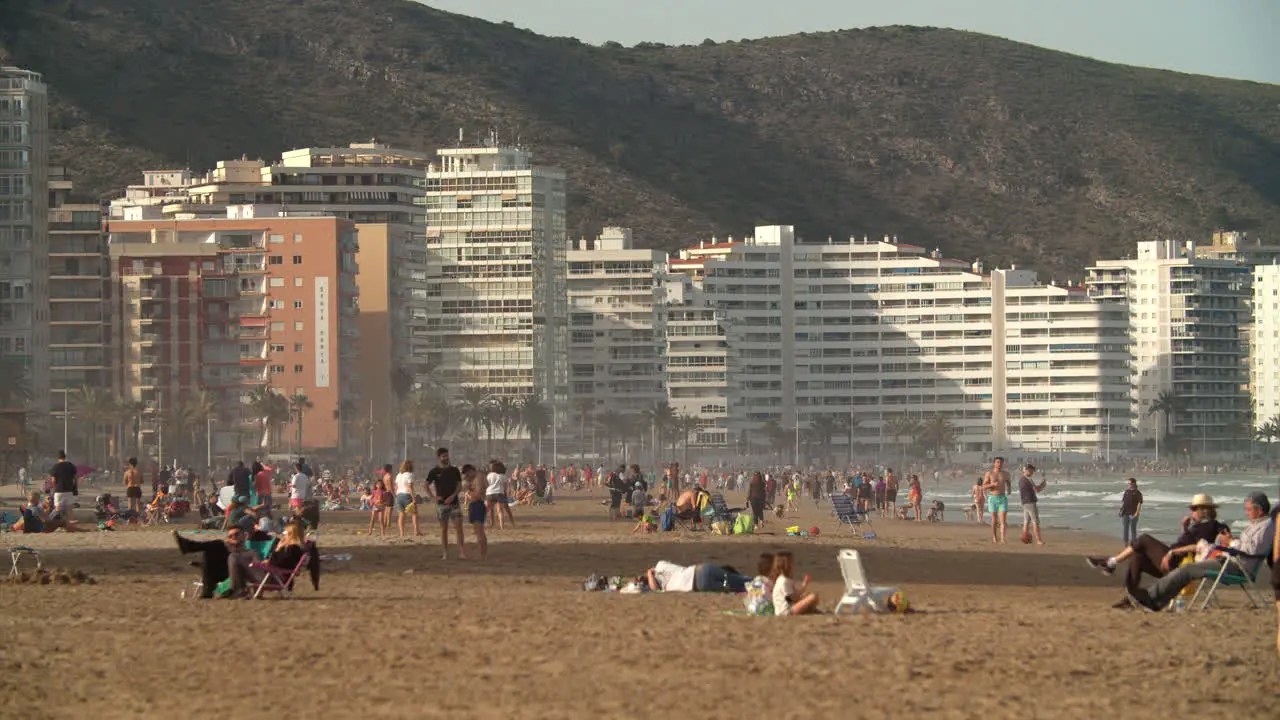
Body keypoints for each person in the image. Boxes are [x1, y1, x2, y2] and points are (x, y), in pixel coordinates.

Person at [1126, 493, 1274, 611]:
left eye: (1249, 509)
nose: (1246, 513)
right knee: (1185, 571)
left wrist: (1230, 542)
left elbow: (1252, 549)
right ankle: (1153, 602)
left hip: (1236, 566)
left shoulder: (1265, 527)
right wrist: (1231, 542)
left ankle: (1150, 597)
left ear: (1259, 510)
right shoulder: (1257, 525)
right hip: (1230, 560)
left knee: (1187, 570)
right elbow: (1247, 545)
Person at [1085, 494, 1232, 608]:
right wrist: (1184, 528)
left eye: (1194, 509)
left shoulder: (1213, 526)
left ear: (1203, 510)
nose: (1191, 512)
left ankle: (1111, 562)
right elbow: (1185, 541)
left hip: (1180, 564)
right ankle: (1131, 598)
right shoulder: (1197, 526)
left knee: (1144, 539)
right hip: (1172, 561)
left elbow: (1201, 547)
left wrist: (1171, 553)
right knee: (1138, 556)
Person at [173, 527, 256, 599]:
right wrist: (228, 545)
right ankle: (208, 588)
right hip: (220, 571)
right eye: (230, 536)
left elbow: (247, 559)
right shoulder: (227, 546)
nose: (233, 537)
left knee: (217, 545)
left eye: (237, 534)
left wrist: (234, 546)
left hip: (235, 572)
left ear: (244, 535)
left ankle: (187, 546)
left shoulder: (249, 547)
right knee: (210, 552)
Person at [426, 448, 466, 560]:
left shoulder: (454, 470)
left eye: (447, 455)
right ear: (439, 458)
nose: (446, 458)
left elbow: (459, 486)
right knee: (444, 529)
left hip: (454, 503)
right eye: (443, 456)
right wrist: (433, 497)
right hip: (441, 505)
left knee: (459, 527)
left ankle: (462, 552)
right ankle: (445, 553)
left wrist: (453, 496)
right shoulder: (434, 471)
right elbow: (426, 484)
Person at [643, 560, 750, 593]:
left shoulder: (663, 587)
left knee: (734, 587)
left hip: (698, 583)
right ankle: (761, 581)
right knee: (736, 579)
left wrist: (649, 574)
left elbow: (654, 590)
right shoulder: (660, 565)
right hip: (700, 569)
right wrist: (649, 572)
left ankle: (758, 587)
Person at [771, 551, 820, 615]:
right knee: (813, 596)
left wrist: (804, 585)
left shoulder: (786, 580)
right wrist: (802, 596)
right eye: (792, 562)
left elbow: (793, 595)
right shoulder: (783, 581)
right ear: (788, 566)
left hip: (789, 608)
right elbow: (791, 599)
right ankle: (810, 611)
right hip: (785, 612)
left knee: (807, 596)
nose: (794, 564)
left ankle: (812, 611)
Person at [981, 457, 1011, 543]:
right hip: (993, 497)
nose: (999, 464)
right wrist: (992, 484)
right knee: (994, 519)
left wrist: (1009, 489)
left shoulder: (1005, 473)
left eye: (1001, 462)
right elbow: (983, 486)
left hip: (1002, 498)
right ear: (994, 463)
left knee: (1003, 520)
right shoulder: (989, 473)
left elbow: (1008, 482)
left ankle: (1003, 538)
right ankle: (994, 537)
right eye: (997, 462)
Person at [1018, 464, 1047, 545]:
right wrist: (1043, 485)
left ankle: (1025, 539)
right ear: (1026, 470)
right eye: (1031, 470)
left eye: (1032, 471)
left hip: (1024, 502)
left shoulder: (1021, 479)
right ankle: (1038, 540)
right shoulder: (1028, 479)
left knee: (1026, 521)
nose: (1032, 472)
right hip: (1030, 502)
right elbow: (1037, 490)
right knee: (1035, 521)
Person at [463, 464, 488, 560]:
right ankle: (482, 552)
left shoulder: (478, 478)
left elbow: (477, 494)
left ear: (471, 471)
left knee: (479, 531)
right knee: (478, 531)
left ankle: (482, 554)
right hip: (477, 504)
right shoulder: (479, 477)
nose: (468, 477)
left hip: (477, 504)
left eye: (468, 474)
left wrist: (468, 492)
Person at [393, 460, 421, 538]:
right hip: (407, 495)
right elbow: (410, 487)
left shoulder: (399, 475)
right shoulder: (410, 475)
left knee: (401, 514)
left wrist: (397, 496)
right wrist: (414, 497)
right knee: (414, 513)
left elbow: (395, 487)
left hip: (399, 495)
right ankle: (416, 531)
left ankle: (402, 534)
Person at [485, 460, 514, 529]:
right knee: (500, 511)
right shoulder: (503, 476)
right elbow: (505, 486)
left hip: (490, 493)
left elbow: (486, 484)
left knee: (486, 510)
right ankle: (502, 527)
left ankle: (480, 524)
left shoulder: (489, 475)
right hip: (500, 493)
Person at [49, 450, 78, 518]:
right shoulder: (71, 466)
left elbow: (53, 480)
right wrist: (75, 487)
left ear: (58, 458)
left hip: (58, 491)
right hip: (69, 490)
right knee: (69, 510)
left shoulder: (55, 467)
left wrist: (54, 488)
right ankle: (71, 525)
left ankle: (59, 525)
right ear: (65, 457)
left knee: (57, 510)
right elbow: (76, 478)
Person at [1120, 478, 1143, 545]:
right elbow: (1123, 501)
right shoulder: (1127, 491)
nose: (1128, 484)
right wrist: (1121, 509)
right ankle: (1126, 543)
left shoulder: (1137, 493)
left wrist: (1137, 512)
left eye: (1129, 483)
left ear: (1133, 484)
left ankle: (1134, 543)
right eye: (1128, 483)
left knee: (1133, 529)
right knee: (1125, 528)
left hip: (1133, 513)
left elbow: (1139, 503)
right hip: (1125, 513)